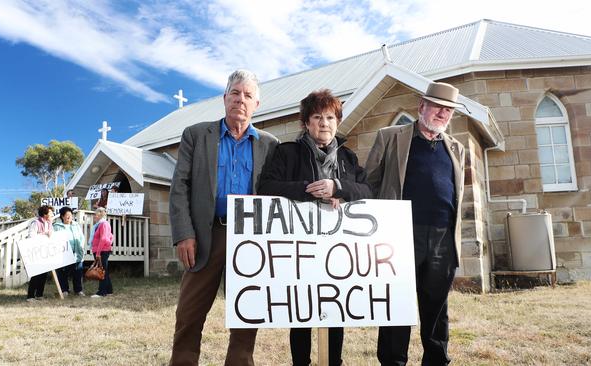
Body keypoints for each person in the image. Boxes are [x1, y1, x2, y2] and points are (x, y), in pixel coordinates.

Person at [168, 69, 279, 366]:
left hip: (249, 239)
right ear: (224, 98)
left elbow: (279, 191)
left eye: (247, 95)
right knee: (189, 313)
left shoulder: (271, 145)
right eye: (235, 93)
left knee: (247, 312)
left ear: (257, 103)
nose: (240, 100)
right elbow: (180, 186)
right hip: (206, 235)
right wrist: (183, 233)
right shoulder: (196, 135)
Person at [258, 89, 372, 366]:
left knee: (335, 306)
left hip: (337, 248)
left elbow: (367, 189)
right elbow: (266, 187)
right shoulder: (286, 153)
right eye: (317, 117)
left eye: (330, 117)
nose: (324, 123)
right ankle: (301, 362)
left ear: (338, 122)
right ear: (306, 123)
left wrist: (340, 188)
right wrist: (308, 190)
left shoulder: (348, 159)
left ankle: (334, 361)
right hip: (300, 245)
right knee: (302, 307)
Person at [365, 82, 465, 366]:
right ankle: (393, 362)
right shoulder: (390, 137)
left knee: (436, 308)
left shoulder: (456, 148)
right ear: (422, 106)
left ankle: (437, 360)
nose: (442, 114)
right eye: (437, 107)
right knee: (397, 305)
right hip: (399, 235)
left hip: (443, 238)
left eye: (448, 110)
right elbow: (368, 183)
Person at [53, 206, 86, 296]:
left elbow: (81, 237)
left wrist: (81, 246)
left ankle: (78, 290)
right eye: (67, 216)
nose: (69, 217)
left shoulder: (75, 225)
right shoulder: (56, 226)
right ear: (62, 216)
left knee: (77, 272)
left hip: (76, 252)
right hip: (63, 254)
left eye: (70, 215)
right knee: (62, 272)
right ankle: (64, 290)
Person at [26, 205, 54, 301]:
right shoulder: (36, 223)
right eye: (50, 213)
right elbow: (31, 237)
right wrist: (44, 234)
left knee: (43, 275)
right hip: (36, 252)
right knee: (36, 274)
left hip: (46, 252)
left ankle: (39, 295)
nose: (52, 214)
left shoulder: (50, 223)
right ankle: (30, 296)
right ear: (45, 214)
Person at [90, 207, 113, 298]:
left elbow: (103, 238)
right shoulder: (101, 224)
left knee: (101, 272)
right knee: (104, 271)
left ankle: (101, 292)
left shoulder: (103, 224)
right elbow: (111, 236)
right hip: (102, 250)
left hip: (102, 250)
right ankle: (109, 291)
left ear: (100, 214)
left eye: (96, 214)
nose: (94, 216)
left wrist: (98, 253)